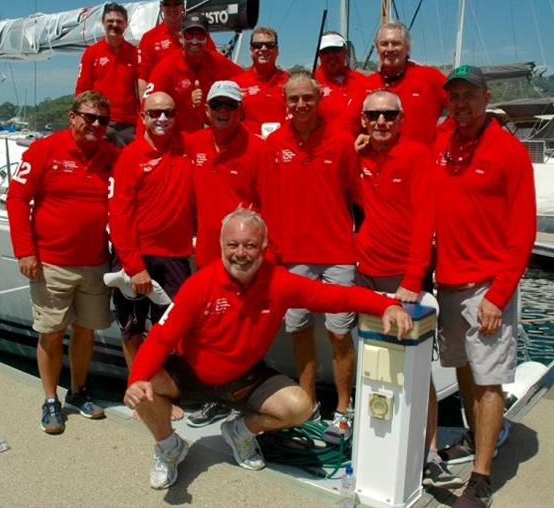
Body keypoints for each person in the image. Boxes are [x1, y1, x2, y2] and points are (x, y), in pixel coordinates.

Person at [123, 207, 413, 490]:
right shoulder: (199, 285)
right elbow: (160, 337)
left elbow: (335, 297)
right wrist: (136, 380)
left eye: (250, 245)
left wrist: (386, 305)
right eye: (232, 244)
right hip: (192, 374)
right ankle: (169, 448)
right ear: (220, 245)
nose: (240, 253)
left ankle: (240, 432)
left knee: (300, 407)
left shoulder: (279, 283)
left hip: (244, 378)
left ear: (263, 246)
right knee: (144, 383)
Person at [432, 65, 536, 508]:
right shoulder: (441, 142)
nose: (460, 104)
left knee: (489, 380)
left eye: (468, 95)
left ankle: (480, 477)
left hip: (487, 288)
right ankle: (476, 437)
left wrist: (499, 295)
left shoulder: (509, 152)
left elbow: (523, 232)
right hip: (448, 283)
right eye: (453, 96)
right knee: (462, 368)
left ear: (486, 97)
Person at [354, 89, 462, 490]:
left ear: (401, 120)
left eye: (388, 116)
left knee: (419, 371)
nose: (381, 122)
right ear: (364, 121)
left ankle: (430, 451)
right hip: (364, 274)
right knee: (375, 364)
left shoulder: (417, 155)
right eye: (374, 116)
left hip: (401, 281)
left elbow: (424, 222)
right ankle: (373, 442)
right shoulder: (359, 156)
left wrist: (413, 280)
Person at [7, 91, 118, 434]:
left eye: (102, 120)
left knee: (85, 332)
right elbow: (16, 199)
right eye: (88, 117)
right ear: (72, 116)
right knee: (52, 333)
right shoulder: (45, 150)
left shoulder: (112, 155)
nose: (95, 125)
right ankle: (50, 399)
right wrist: (25, 251)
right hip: (51, 263)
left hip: (95, 263)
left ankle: (78, 391)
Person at [263, 70, 360, 439]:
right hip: (294, 258)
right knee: (299, 329)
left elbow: (356, 197)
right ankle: (307, 402)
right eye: (293, 99)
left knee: (339, 335)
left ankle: (343, 408)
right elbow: (269, 204)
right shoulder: (274, 146)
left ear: (319, 98)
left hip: (338, 255)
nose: (300, 105)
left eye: (307, 97)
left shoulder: (341, 142)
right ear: (284, 102)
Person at [183, 80, 267, 427]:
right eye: (216, 105)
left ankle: (240, 396)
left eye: (229, 106)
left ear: (240, 111)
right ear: (206, 110)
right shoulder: (193, 144)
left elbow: (269, 205)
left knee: (241, 331)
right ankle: (213, 395)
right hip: (205, 256)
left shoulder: (257, 150)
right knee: (209, 329)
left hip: (244, 259)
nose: (222, 112)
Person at [108, 91, 193, 421]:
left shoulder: (186, 148)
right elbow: (119, 216)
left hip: (174, 256)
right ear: (142, 117)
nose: (162, 119)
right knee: (131, 329)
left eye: (168, 113)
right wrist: (134, 265)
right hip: (137, 257)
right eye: (154, 113)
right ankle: (139, 392)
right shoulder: (129, 157)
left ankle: (159, 391)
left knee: (169, 331)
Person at [145, 13, 242, 133]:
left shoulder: (216, 61)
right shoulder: (165, 68)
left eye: (200, 36)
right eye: (189, 35)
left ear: (207, 39)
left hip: (201, 137)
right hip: (171, 136)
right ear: (180, 38)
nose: (195, 41)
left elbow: (246, 79)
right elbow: (146, 108)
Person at [366, 21, 447, 146]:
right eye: (384, 44)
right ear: (376, 48)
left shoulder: (430, 77)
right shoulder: (368, 83)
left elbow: (461, 107)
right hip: (381, 162)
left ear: (407, 47)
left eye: (396, 43)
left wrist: (443, 136)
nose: (390, 48)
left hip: (422, 161)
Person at [75, 2, 139, 147]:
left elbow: (141, 89)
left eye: (119, 21)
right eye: (110, 21)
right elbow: (82, 89)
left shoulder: (135, 53)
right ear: (103, 23)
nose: (114, 25)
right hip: (99, 120)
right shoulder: (91, 53)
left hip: (128, 124)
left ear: (126, 25)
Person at [138, 0, 217, 97]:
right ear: (161, 8)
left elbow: (215, 63)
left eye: (176, 4)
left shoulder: (200, 33)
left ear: (183, 6)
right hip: (164, 105)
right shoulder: (149, 38)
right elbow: (142, 79)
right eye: (167, 4)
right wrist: (145, 109)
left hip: (195, 100)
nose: (172, 8)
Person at [232, 26, 289, 137]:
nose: (263, 49)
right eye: (257, 45)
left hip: (284, 147)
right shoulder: (236, 84)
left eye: (269, 45)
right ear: (250, 50)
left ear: (277, 50)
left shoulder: (291, 81)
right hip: (249, 148)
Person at [314, 31, 370, 136]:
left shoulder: (364, 81)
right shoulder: (310, 84)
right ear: (319, 55)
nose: (331, 55)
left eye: (336, 50)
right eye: (325, 51)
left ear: (345, 51)